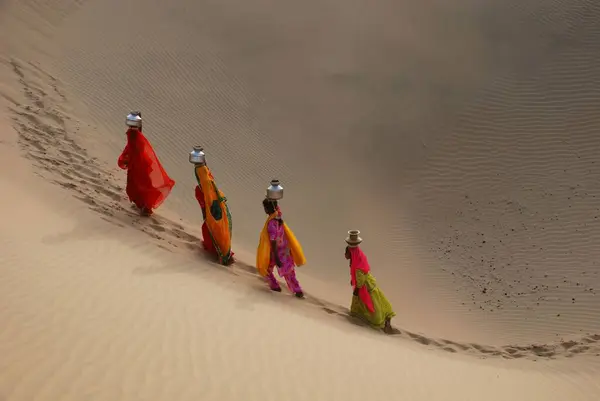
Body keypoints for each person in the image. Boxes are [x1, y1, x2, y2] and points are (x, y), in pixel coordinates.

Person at [117, 111, 175, 216]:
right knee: (140, 185)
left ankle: (144, 206)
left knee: (137, 185)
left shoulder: (133, 134)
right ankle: (143, 206)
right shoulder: (137, 134)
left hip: (138, 165)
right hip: (140, 164)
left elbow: (132, 149)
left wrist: (126, 158)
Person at [345, 235, 395, 334]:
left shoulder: (356, 261)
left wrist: (356, 292)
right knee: (378, 301)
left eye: (346, 253)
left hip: (365, 286)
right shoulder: (358, 255)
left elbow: (360, 280)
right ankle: (386, 318)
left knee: (370, 306)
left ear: (350, 252)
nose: (345, 255)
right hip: (369, 282)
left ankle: (379, 322)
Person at [256, 198, 306, 298]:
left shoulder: (271, 224)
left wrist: (276, 256)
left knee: (266, 269)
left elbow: (273, 241)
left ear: (267, 209)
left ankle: (275, 286)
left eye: (265, 208)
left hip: (276, 253)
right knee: (289, 273)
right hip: (285, 250)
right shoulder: (278, 217)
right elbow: (277, 209)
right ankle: (297, 290)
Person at [193, 162, 234, 265]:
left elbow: (207, 205)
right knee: (217, 232)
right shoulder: (212, 188)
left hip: (213, 215)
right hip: (213, 215)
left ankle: (222, 255)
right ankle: (223, 253)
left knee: (215, 232)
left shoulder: (206, 188)